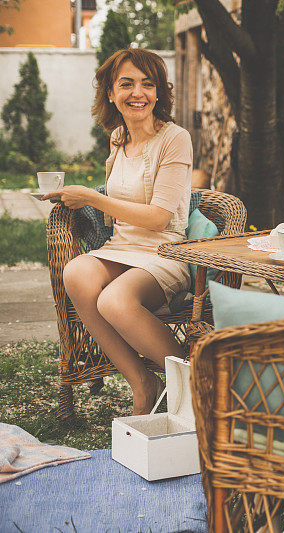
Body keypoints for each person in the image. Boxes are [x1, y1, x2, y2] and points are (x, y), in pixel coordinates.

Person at [43, 49, 193, 415]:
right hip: (121, 247)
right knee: (75, 272)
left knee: (113, 300)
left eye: (147, 84)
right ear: (111, 93)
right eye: (126, 84)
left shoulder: (175, 139)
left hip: (164, 252)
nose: (137, 92)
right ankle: (143, 382)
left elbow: (159, 218)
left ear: (159, 93)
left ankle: (193, 381)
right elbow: (119, 202)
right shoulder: (118, 138)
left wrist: (93, 198)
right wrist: (77, 200)